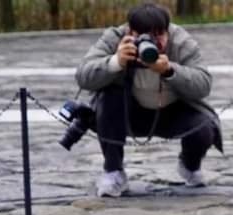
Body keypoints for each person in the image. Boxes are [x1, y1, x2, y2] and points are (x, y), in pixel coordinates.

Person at [75, 2, 221, 198]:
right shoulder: (115, 38)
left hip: (172, 112)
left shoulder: (181, 42)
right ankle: (113, 171)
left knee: (203, 128)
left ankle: (189, 164)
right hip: (128, 113)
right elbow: (83, 76)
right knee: (109, 99)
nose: (151, 41)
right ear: (129, 30)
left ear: (168, 31)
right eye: (142, 35)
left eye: (158, 35)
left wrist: (170, 70)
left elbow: (203, 84)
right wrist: (115, 62)